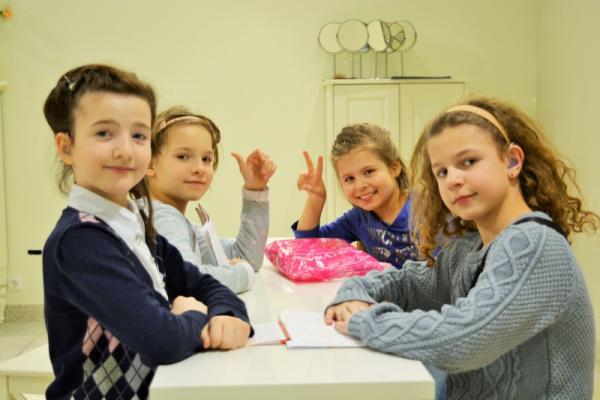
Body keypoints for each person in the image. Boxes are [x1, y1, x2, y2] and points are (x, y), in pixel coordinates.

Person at [324, 96, 599, 399]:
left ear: (512, 161)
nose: (453, 179)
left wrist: (364, 321)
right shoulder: (470, 247)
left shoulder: (534, 244)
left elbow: (462, 339)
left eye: (468, 162)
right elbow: (406, 282)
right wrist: (352, 294)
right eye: (441, 171)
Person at [42, 64, 251, 400]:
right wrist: (198, 315)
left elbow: (203, 283)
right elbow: (161, 340)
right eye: (104, 133)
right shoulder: (81, 240)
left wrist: (226, 313)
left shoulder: (134, 221)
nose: (125, 150)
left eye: (139, 135)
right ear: (66, 147)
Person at [146, 106, 275, 293]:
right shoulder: (163, 219)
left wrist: (255, 190)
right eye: (183, 156)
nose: (199, 168)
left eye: (206, 159)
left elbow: (246, 257)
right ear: (149, 163)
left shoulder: (172, 219)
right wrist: (243, 274)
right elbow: (187, 280)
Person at [292, 123, 418, 269]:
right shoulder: (359, 218)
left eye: (369, 172)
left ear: (394, 168)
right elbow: (308, 247)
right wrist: (315, 200)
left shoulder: (425, 210)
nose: (360, 186)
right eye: (349, 179)